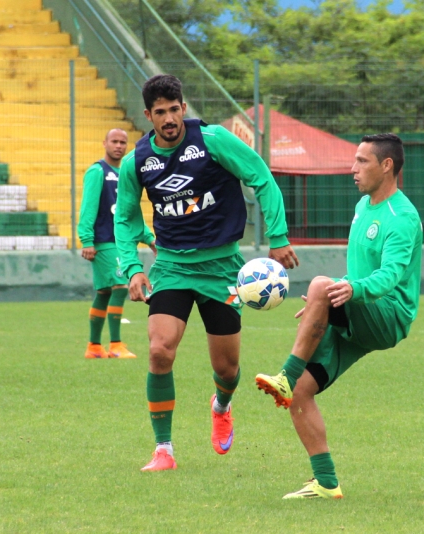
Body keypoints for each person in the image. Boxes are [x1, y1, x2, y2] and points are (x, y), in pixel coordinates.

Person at [114, 74, 299, 472]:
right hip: (172, 267)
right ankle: (163, 449)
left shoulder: (212, 140)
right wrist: (132, 268)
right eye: (159, 112)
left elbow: (261, 178)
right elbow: (125, 219)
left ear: (183, 107)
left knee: (226, 368)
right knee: (160, 350)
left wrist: (279, 237)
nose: (168, 118)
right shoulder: (136, 161)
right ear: (148, 115)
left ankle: (222, 405)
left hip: (222, 268)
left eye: (174, 109)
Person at [255, 133, 422, 499]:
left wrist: (346, 290)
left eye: (362, 161)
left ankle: (285, 373)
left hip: (388, 315)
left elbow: (391, 275)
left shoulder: (402, 217)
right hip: (360, 308)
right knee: (301, 393)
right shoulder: (364, 206)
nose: (353, 169)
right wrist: (324, 304)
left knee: (319, 284)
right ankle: (326, 482)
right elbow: (360, 271)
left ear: (387, 165)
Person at [78, 128, 156, 359]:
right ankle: (115, 344)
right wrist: (87, 240)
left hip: (119, 241)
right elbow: (88, 207)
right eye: (114, 141)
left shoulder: (125, 173)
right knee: (121, 286)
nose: (119, 146)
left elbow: (129, 213)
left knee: (104, 292)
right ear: (105, 143)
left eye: (123, 142)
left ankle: (93, 347)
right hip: (104, 241)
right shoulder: (97, 171)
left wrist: (149, 238)